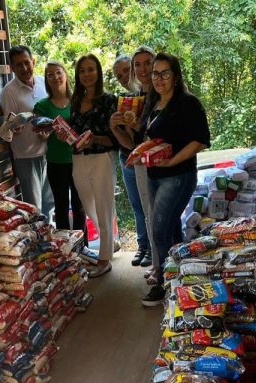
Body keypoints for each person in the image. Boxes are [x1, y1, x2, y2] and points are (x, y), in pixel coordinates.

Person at [112, 53, 210, 306]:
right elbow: (146, 138)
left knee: (158, 229)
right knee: (172, 227)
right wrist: (124, 125)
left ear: (176, 77)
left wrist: (172, 160)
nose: (158, 78)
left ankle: (164, 284)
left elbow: (200, 140)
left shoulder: (187, 103)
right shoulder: (152, 102)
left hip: (177, 176)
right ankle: (182, 278)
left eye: (165, 73)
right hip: (154, 175)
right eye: (155, 73)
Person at [68, 54, 118, 278]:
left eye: (91, 69)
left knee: (103, 207)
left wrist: (95, 138)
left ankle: (104, 260)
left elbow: (114, 139)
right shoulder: (75, 101)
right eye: (82, 71)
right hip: (78, 158)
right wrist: (65, 136)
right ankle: (111, 241)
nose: (87, 75)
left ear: (98, 72)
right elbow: (74, 133)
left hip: (101, 159)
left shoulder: (109, 100)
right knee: (89, 206)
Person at [111, 46, 156, 269]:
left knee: (151, 207)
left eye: (126, 70)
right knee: (138, 206)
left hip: (148, 158)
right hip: (126, 156)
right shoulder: (123, 100)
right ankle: (143, 247)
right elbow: (127, 138)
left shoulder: (152, 94)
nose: (123, 77)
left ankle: (153, 250)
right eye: (118, 75)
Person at [0, 45, 54, 218]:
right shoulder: (9, 91)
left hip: (49, 153)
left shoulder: (43, 83)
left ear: (33, 61)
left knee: (51, 204)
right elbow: (11, 123)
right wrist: (15, 126)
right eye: (18, 65)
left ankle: (53, 241)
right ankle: (40, 243)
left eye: (26, 62)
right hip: (26, 157)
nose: (24, 68)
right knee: (35, 208)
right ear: (12, 68)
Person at [33, 61, 86, 236]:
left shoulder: (79, 101)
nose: (55, 77)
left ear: (65, 74)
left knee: (79, 206)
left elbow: (86, 128)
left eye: (58, 73)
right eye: (50, 75)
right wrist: (46, 133)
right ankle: (67, 250)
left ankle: (83, 248)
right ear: (46, 80)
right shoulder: (42, 106)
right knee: (61, 207)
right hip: (56, 163)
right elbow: (41, 135)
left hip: (79, 160)